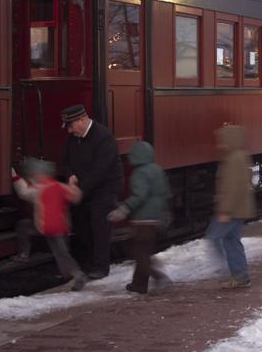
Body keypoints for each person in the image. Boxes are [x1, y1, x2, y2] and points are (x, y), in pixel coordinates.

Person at [60, 104, 124, 279]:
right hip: (84, 188)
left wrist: (80, 190)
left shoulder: (103, 137)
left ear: (82, 120)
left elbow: (100, 170)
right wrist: (70, 175)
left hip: (105, 189)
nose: (69, 131)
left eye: (71, 126)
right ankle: (90, 261)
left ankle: (101, 267)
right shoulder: (73, 138)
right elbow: (65, 162)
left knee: (99, 226)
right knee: (82, 225)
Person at [107, 141, 172, 295]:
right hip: (156, 218)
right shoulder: (157, 170)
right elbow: (166, 193)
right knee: (143, 252)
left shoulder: (139, 173)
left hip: (143, 219)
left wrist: (124, 208)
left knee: (139, 254)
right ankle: (139, 285)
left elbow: (139, 196)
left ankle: (159, 277)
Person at [12, 158, 87, 291]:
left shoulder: (38, 190)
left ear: (39, 175)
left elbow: (23, 192)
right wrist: (72, 184)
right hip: (62, 228)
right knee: (63, 254)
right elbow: (76, 197)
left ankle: (23, 255)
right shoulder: (60, 186)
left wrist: (15, 176)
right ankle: (75, 274)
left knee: (23, 226)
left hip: (45, 227)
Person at [206, 124, 256, 289]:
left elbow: (231, 187)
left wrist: (225, 210)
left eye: (222, 141)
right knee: (232, 241)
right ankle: (241, 276)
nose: (219, 145)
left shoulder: (233, 159)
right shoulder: (240, 155)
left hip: (232, 210)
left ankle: (225, 272)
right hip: (238, 209)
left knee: (213, 237)